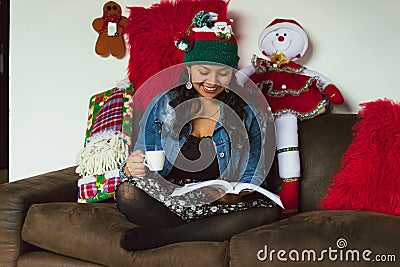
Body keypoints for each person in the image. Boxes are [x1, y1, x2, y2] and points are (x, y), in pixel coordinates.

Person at [116, 10, 281, 251]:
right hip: (173, 197)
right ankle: (201, 233)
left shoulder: (248, 113)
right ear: (190, 69)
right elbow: (142, 159)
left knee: (268, 214)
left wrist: (238, 193)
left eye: (222, 72)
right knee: (128, 193)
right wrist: (132, 166)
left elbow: (255, 171)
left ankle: (163, 238)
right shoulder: (163, 105)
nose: (212, 81)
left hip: (221, 203)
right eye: (204, 71)